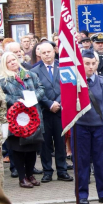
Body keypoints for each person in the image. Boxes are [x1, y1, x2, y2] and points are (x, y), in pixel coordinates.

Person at [70, 49, 103, 204]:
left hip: (99, 127)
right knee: (81, 162)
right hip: (80, 127)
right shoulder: (73, 83)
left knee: (101, 161)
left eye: (93, 63)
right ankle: (82, 195)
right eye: (86, 63)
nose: (90, 67)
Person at [0, 52, 45, 188]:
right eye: (9, 61)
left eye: (14, 59)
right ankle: (22, 177)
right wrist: (17, 102)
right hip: (16, 120)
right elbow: (3, 97)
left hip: (33, 118)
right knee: (18, 150)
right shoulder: (3, 80)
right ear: (4, 64)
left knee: (32, 148)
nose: (13, 62)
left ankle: (30, 174)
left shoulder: (29, 74)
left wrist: (33, 98)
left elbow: (41, 88)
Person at [31, 43, 73, 183]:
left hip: (60, 111)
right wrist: (49, 104)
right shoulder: (35, 71)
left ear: (54, 52)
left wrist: (58, 103)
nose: (47, 54)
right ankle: (47, 171)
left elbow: (67, 86)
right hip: (44, 112)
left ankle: (62, 171)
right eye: (44, 53)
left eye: (49, 51)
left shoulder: (64, 68)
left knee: (60, 142)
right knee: (45, 143)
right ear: (40, 54)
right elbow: (35, 90)